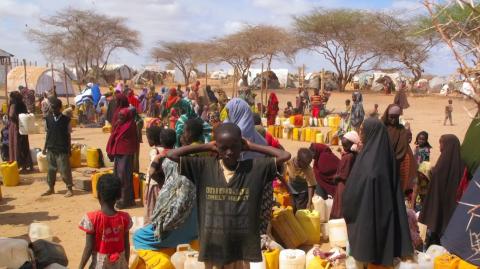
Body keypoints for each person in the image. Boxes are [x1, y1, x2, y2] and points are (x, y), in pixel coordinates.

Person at [167, 122, 290, 268]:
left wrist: (252, 146)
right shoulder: (203, 167)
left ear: (241, 145)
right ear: (216, 147)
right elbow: (171, 154)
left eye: (234, 146)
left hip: (241, 249)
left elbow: (285, 155)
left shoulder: (253, 169)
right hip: (213, 249)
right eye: (223, 148)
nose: (229, 152)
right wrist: (207, 145)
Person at [343, 117, 413, 267]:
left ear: (371, 132)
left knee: (369, 243)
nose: (360, 134)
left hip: (368, 208)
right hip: (384, 210)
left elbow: (357, 186)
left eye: (363, 131)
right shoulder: (386, 155)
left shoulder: (369, 158)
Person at [419, 134, 465, 246]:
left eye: (441, 143)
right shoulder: (463, 165)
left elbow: (434, 189)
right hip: (455, 211)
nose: (439, 146)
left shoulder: (441, 165)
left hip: (439, 210)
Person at [79, 174, 132, 269]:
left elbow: (88, 248)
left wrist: (80, 267)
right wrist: (126, 264)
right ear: (118, 196)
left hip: (100, 265)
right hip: (119, 264)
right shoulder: (124, 218)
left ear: (99, 195)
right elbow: (126, 245)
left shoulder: (92, 219)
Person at [106, 107, 139, 209]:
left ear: (127, 117)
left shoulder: (130, 125)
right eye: (119, 116)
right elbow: (114, 135)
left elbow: (127, 139)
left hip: (126, 153)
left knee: (123, 176)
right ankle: (125, 198)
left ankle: (124, 200)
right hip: (119, 153)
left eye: (122, 117)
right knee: (118, 175)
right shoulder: (120, 124)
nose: (120, 118)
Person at [41, 99, 73, 197]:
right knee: (51, 170)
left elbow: (68, 135)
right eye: (52, 108)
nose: (53, 110)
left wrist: (69, 149)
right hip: (51, 148)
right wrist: (44, 147)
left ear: (60, 108)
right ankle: (51, 188)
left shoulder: (66, 120)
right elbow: (48, 134)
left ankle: (69, 188)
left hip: (62, 149)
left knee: (64, 170)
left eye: (55, 108)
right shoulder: (48, 119)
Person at [144, 128, 176, 224]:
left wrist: (159, 181)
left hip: (156, 185)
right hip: (170, 185)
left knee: (152, 209)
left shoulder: (155, 151)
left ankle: (151, 228)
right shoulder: (176, 152)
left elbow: (152, 170)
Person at [383, 104, 416, 191]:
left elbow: (404, 146)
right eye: (391, 117)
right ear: (387, 116)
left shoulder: (401, 129)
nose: (393, 120)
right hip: (383, 162)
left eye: (396, 118)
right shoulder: (382, 128)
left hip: (399, 163)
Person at [330, 131, 359, 219]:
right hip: (349, 184)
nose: (344, 148)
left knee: (340, 207)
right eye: (343, 145)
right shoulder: (353, 155)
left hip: (343, 185)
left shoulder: (348, 157)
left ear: (352, 145)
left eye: (345, 146)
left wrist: (336, 177)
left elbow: (344, 174)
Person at [8, 91, 33, 172]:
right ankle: (25, 165)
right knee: (23, 145)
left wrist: (16, 120)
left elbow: (11, 115)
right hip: (22, 127)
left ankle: (20, 165)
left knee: (17, 145)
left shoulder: (14, 104)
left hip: (16, 128)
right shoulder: (21, 104)